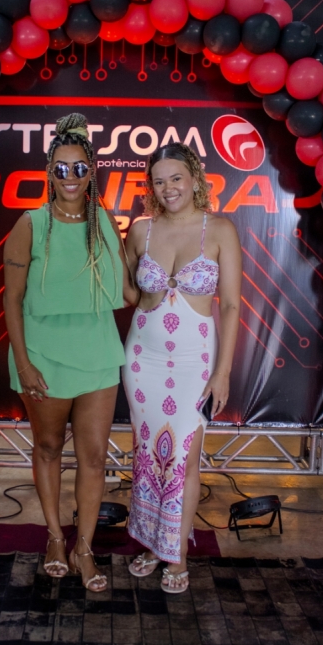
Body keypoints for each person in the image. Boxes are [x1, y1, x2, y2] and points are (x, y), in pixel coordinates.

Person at [3, 113, 137, 592]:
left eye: (79, 168)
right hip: (44, 355)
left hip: (98, 352)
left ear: (91, 172)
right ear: (49, 172)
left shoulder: (104, 222)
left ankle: (84, 548)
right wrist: (23, 363)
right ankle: (55, 539)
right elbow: (11, 300)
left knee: (95, 457)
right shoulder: (30, 224)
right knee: (47, 447)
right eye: (61, 168)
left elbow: (128, 291)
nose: (70, 177)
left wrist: (170, 276)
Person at [123, 142, 242, 594]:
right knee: (148, 455)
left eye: (176, 178)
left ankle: (177, 554)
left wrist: (223, 372)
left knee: (184, 458)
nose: (168, 188)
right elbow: (130, 295)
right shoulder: (140, 230)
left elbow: (229, 305)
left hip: (196, 363)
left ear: (194, 178)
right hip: (142, 360)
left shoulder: (221, 230)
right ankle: (153, 544)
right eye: (159, 181)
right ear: (151, 187)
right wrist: (108, 249)